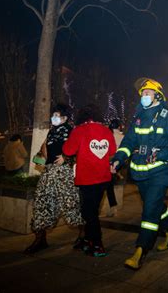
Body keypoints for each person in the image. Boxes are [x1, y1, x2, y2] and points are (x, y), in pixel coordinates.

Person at [110, 78, 168, 270]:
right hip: (140, 173)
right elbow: (129, 142)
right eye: (142, 94)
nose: (143, 96)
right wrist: (118, 158)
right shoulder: (138, 116)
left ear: (157, 95)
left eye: (147, 93)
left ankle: (141, 250)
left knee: (149, 211)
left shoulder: (167, 117)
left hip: (160, 172)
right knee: (156, 206)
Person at [25, 104, 84, 254]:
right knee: (42, 202)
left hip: (64, 174)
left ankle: (84, 235)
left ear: (64, 118)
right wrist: (42, 157)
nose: (54, 118)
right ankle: (40, 239)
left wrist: (66, 158)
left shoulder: (72, 132)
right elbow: (44, 149)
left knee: (70, 204)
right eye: (53, 115)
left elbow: (79, 149)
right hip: (49, 171)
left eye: (57, 116)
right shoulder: (51, 132)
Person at [63, 104, 116, 257]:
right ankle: (89, 241)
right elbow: (112, 150)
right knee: (92, 210)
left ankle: (98, 244)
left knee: (89, 213)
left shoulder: (79, 130)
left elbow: (68, 150)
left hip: (87, 179)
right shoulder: (106, 130)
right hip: (104, 178)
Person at [103, 119, 124, 217]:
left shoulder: (107, 136)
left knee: (108, 186)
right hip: (120, 164)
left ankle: (112, 207)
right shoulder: (123, 137)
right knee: (116, 186)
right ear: (119, 126)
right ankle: (115, 207)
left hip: (108, 164)